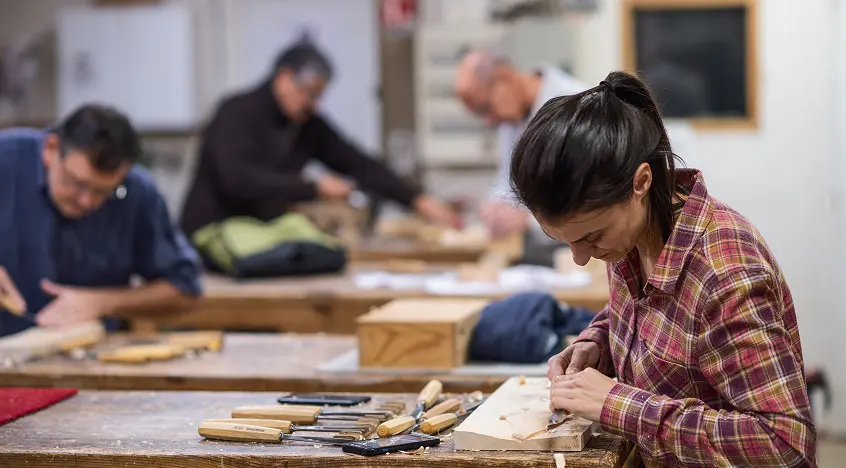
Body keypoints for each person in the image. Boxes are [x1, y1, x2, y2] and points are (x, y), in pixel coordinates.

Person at [508, 71, 816, 466]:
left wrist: (617, 404)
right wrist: (598, 342)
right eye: (566, 240)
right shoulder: (632, 236)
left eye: (591, 237)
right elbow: (662, 320)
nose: (581, 258)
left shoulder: (725, 274)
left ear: (641, 181)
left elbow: (784, 444)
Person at [180, 37, 460, 242]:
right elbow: (239, 179)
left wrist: (416, 198)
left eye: (319, 96)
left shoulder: (306, 124)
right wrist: (314, 187)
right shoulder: (236, 113)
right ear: (284, 77)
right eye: (309, 92)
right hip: (211, 239)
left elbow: (358, 163)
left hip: (258, 240)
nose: (313, 103)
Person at [0, 105, 202, 337]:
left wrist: (102, 302)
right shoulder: (5, 161)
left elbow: (185, 290)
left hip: (91, 358)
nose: (86, 201)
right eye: (76, 183)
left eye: (103, 192)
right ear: (51, 149)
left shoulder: (136, 193)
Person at [454, 50, 588, 247]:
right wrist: (494, 207)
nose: (489, 120)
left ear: (504, 77)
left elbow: (591, 199)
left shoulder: (575, 107)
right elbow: (507, 179)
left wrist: (530, 220)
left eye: (486, 107)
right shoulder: (510, 119)